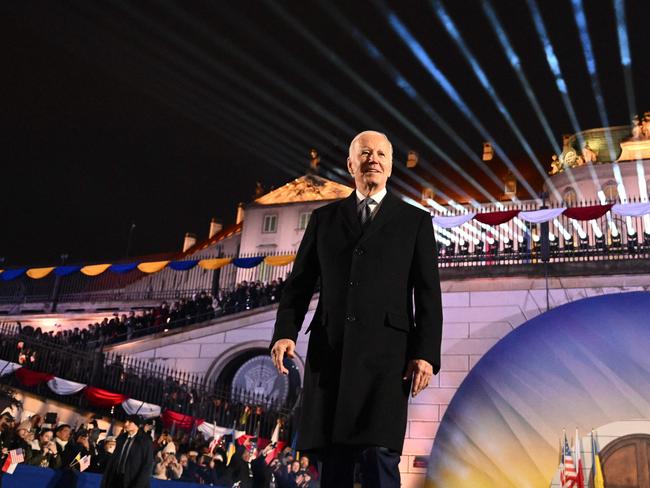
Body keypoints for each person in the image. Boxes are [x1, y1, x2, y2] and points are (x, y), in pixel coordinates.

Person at [270, 130, 443, 488]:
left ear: (391, 165)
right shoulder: (324, 219)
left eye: (381, 153)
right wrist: (285, 332)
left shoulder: (415, 222)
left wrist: (424, 354)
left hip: (387, 359)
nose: (373, 158)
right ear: (351, 164)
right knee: (334, 462)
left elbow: (428, 294)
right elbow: (299, 283)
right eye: (365, 153)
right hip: (332, 353)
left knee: (378, 455)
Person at [101, 415, 153, 488]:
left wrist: (138, 485)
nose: (126, 424)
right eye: (126, 421)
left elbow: (147, 465)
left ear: (136, 425)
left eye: (129, 422)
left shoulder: (145, 441)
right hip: (116, 480)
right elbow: (114, 459)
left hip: (132, 482)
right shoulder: (121, 438)